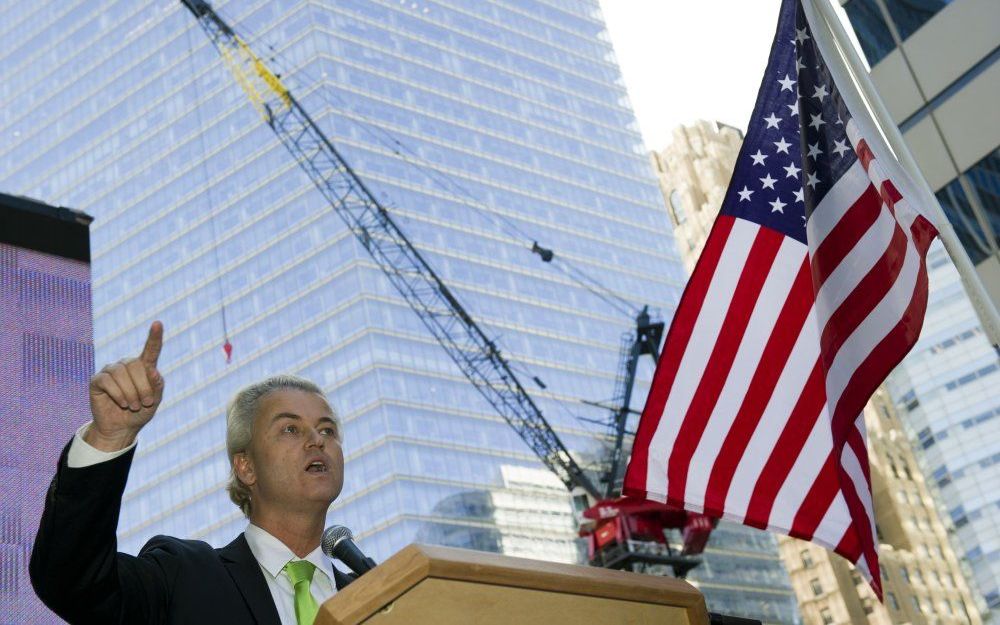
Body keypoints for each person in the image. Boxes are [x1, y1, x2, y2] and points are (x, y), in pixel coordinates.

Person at [30, 321, 355, 625]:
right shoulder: (181, 577)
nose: (317, 440)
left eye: (327, 430)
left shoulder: (384, 594)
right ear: (246, 466)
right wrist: (109, 437)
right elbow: (72, 582)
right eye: (290, 429)